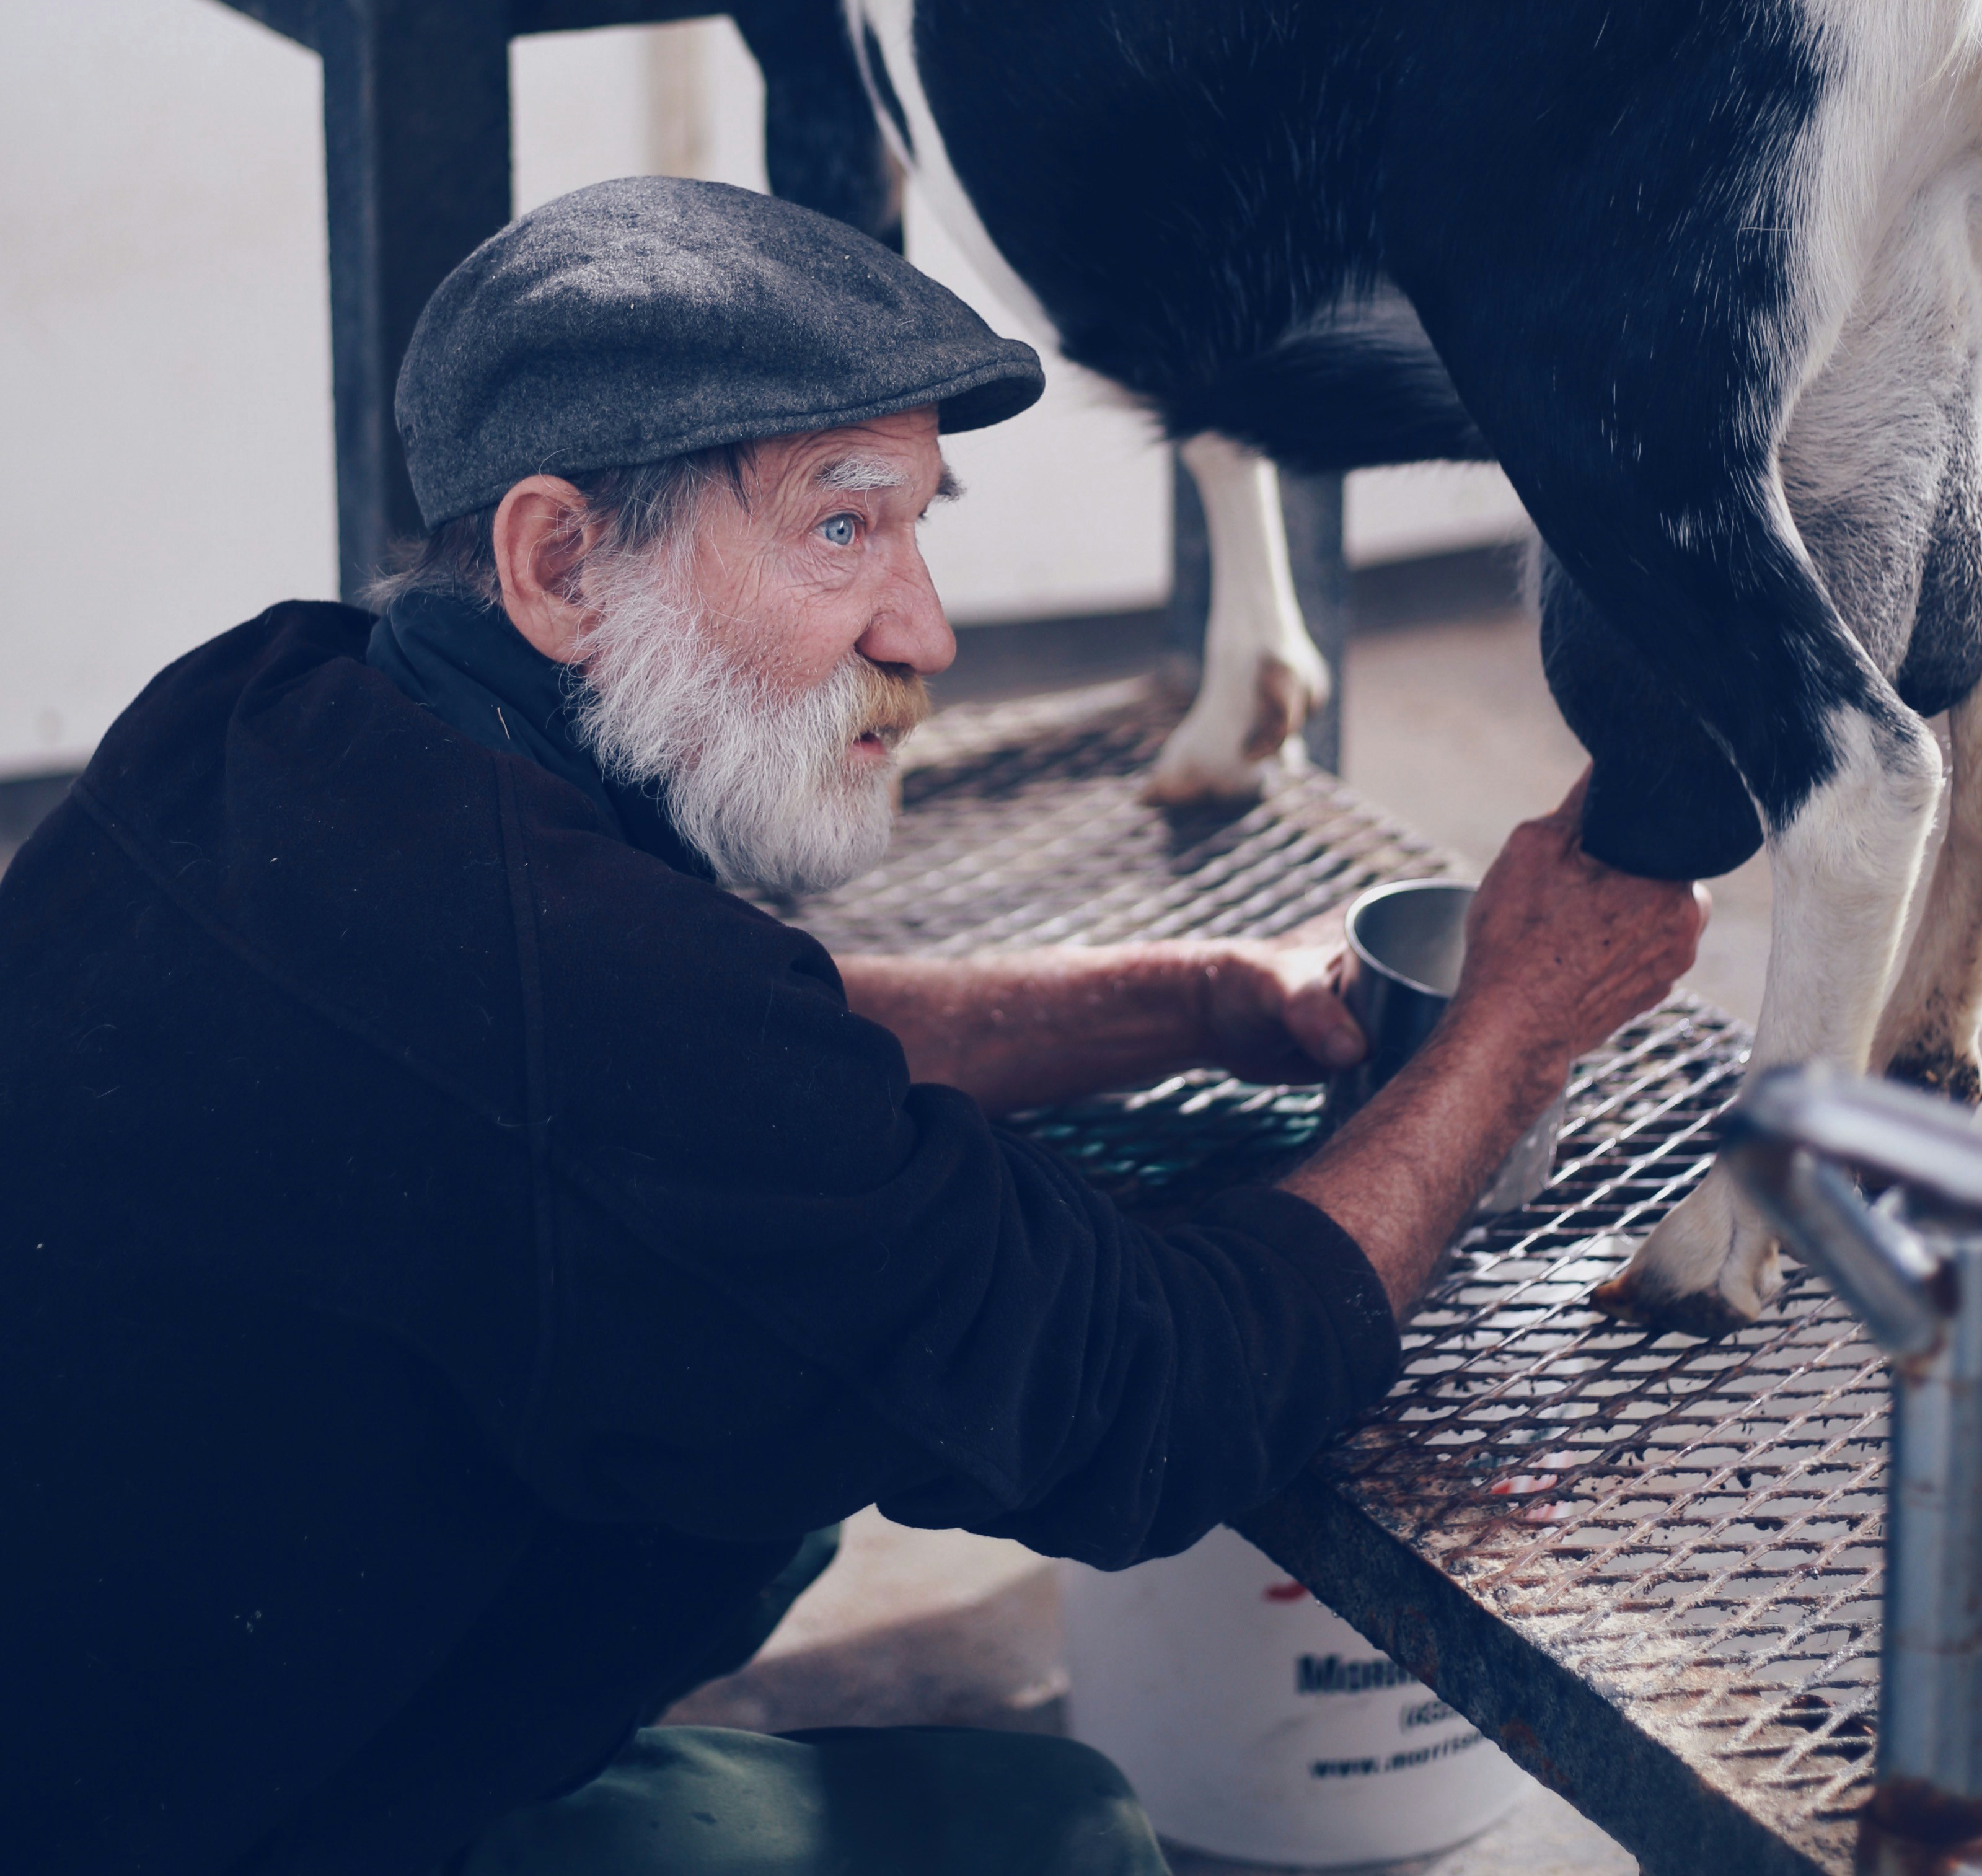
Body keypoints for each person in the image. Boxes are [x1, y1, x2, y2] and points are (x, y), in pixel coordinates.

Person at [2, 177, 1704, 1876]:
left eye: (917, 526)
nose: (927, 631)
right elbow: (1157, 1393)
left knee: (773, 1479)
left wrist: (1181, 999)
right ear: (560, 562)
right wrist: (1514, 1027)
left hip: (107, 1672)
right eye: (840, 528)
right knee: (1064, 1839)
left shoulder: (265, 703)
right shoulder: (608, 1022)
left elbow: (684, 1072)